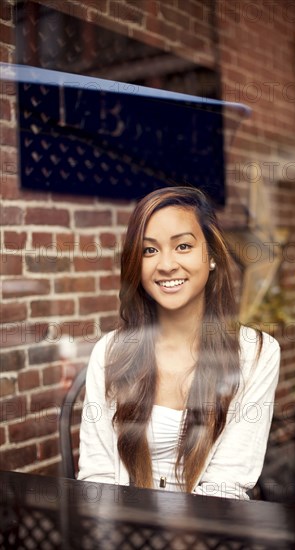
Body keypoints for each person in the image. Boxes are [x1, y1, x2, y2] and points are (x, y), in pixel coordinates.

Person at [78, 186, 280, 499]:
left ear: (212, 255)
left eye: (183, 246)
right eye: (149, 250)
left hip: (210, 529)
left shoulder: (256, 353)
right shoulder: (110, 351)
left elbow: (227, 483)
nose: (167, 264)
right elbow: (97, 476)